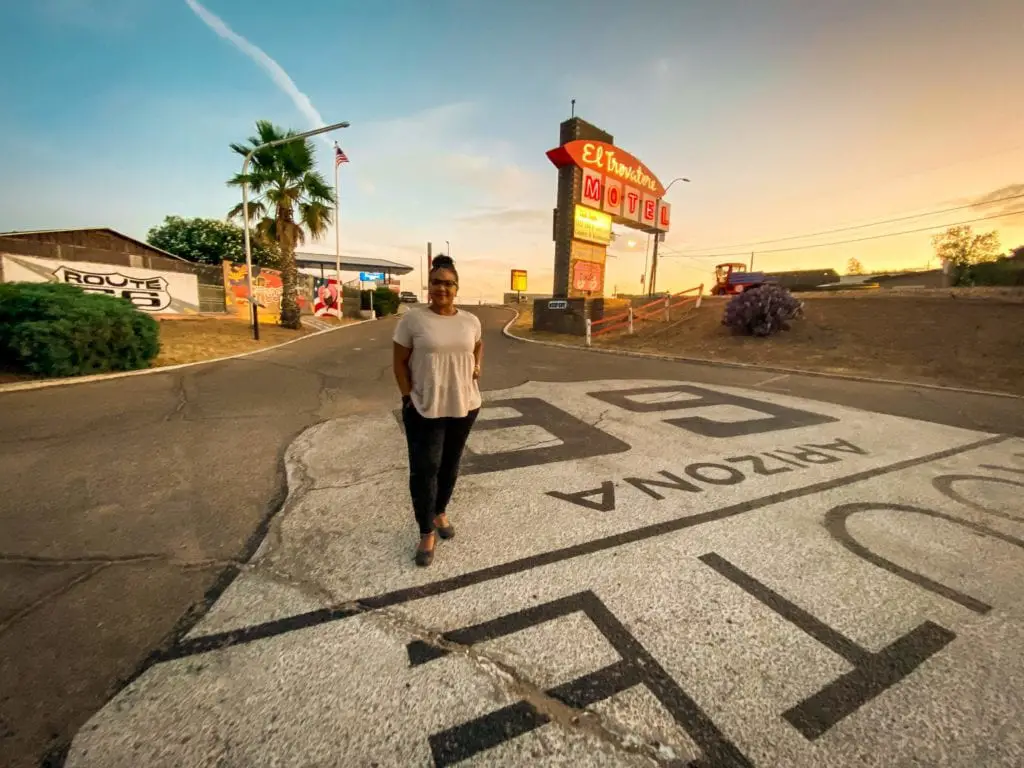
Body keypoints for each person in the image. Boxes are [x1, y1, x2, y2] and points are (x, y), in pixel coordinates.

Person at [392, 254, 483, 566]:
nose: (442, 288)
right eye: (436, 282)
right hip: (423, 407)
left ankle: (440, 511)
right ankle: (425, 531)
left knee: (449, 465)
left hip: (465, 405)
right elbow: (399, 362)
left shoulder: (470, 321)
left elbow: (478, 345)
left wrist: (477, 365)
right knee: (425, 469)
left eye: (448, 283)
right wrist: (407, 398)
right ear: (428, 286)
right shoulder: (413, 320)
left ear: (456, 287)